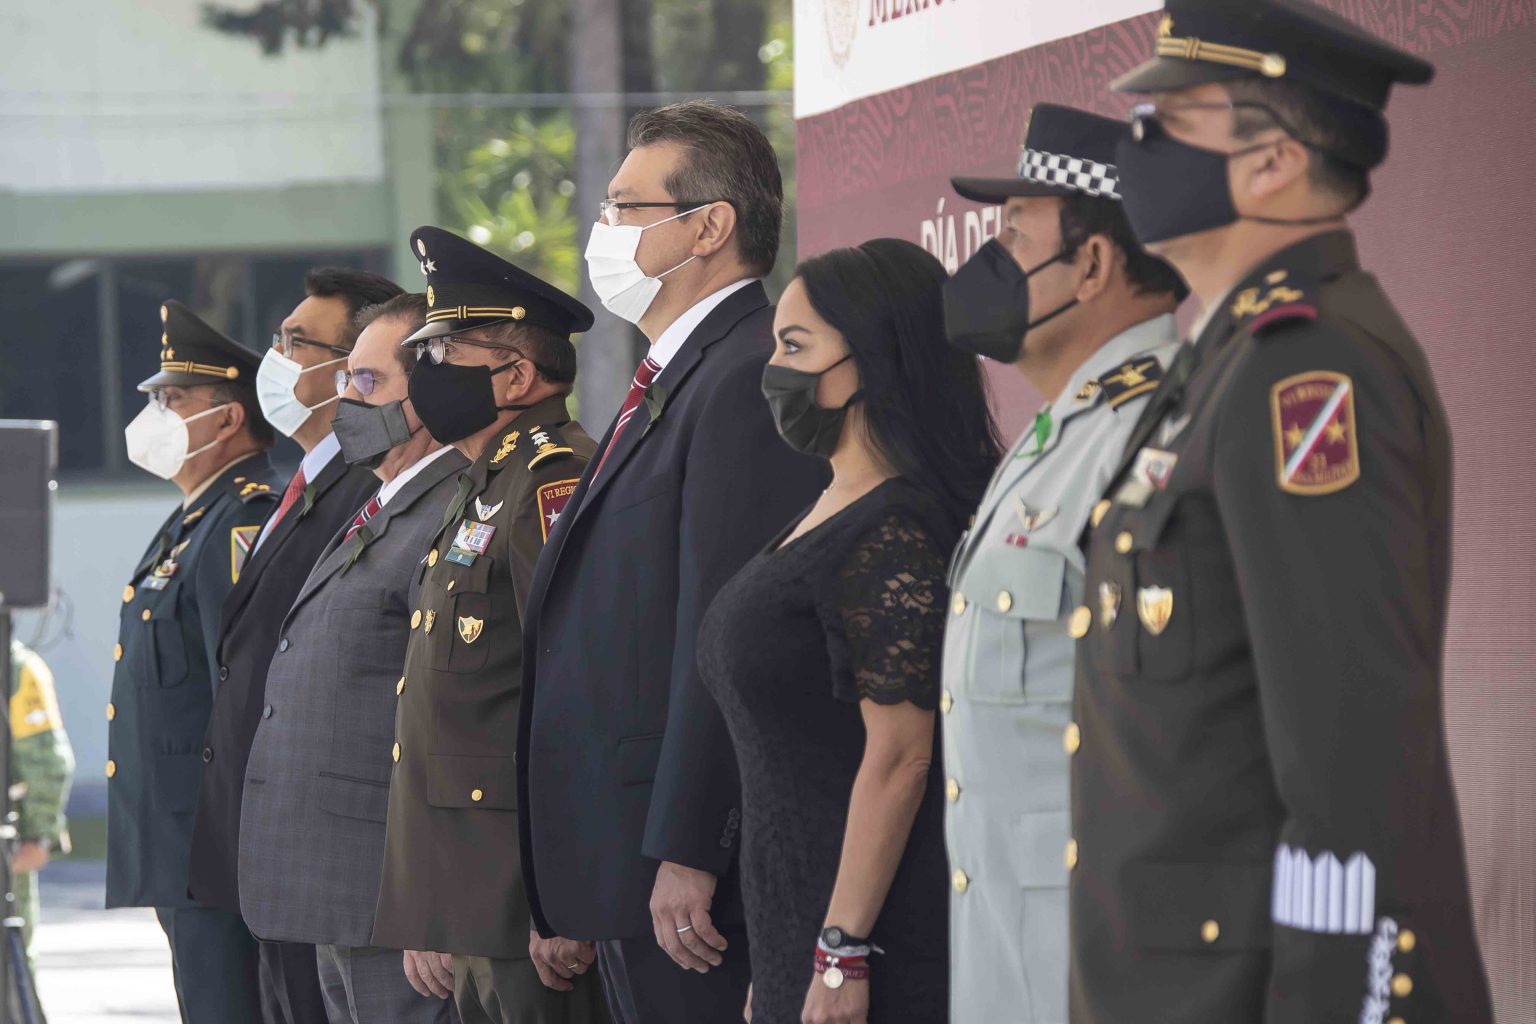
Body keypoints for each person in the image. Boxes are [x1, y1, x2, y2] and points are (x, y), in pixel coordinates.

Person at [1069, 0, 1494, 1020]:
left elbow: (1349, 752)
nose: (1137, 149)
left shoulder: (1305, 369)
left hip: (1255, 989)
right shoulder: (1219, 362)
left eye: (1168, 125)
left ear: (1272, 164)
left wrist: (1328, 997)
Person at [515, 100, 827, 1023]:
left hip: (689, 876)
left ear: (709, 227)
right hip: (625, 856)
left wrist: (690, 844)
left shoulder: (742, 377)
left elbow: (724, 626)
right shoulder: (665, 379)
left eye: (625, 207)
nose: (601, 232)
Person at [697, 237, 1000, 1024]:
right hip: (802, 925)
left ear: (871, 361)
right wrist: (788, 951)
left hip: (875, 942)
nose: (776, 372)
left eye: (797, 347)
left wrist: (840, 952)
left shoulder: (892, 530)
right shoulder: (829, 504)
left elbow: (901, 755)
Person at [937, 104, 1186, 1024]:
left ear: (1091, 264)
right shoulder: (1057, 434)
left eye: (1012, 237)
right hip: (1005, 934)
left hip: (1098, 950)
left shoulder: (1158, 433)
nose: (989, 262)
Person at [370, 228, 607, 1024]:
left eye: (444, 354)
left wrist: (565, 887)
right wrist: (429, 901)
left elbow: (577, 689)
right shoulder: (479, 486)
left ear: (517, 374)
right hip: (470, 894)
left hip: (523, 896)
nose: (421, 374)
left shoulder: (553, 477)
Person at [237, 293, 467, 1024]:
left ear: (424, 397)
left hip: (389, 890)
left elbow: (454, 711)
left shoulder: (448, 505)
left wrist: (431, 896)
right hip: (338, 882)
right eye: (347, 381)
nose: (346, 400)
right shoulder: (381, 501)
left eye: (367, 383)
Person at [189, 267, 402, 1024]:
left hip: (330, 858)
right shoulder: (305, 482)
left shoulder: (365, 487)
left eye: (296, 343)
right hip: (272, 852)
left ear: (351, 369)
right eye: (277, 338)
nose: (274, 359)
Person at [108, 300, 283, 1023]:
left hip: (214, 845)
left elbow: (242, 687)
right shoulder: (193, 519)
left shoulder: (241, 517)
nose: (154, 414)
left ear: (228, 419)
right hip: (182, 843)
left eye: (172, 400)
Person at [9, 640, 75, 970]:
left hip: (6, 851)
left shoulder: (16, 668)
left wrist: (38, 835)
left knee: (11, 969)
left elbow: (48, 761)